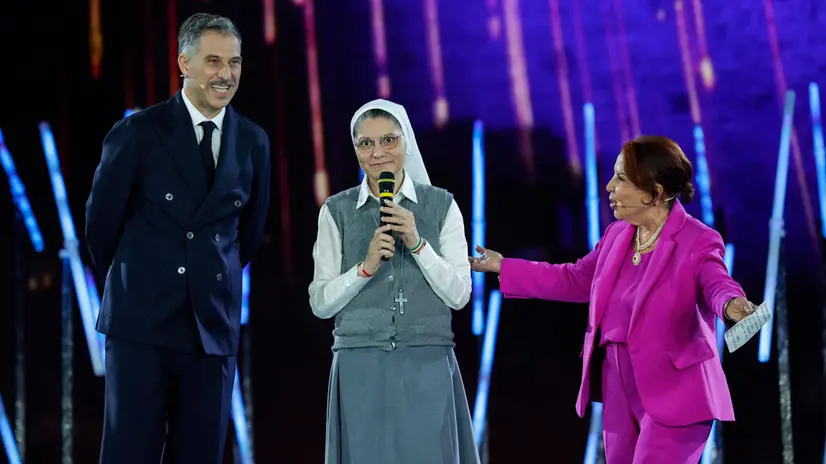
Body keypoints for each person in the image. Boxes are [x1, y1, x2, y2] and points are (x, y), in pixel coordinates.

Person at [470, 136, 756, 463]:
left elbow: (716, 282)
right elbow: (575, 278)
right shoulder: (618, 235)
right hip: (618, 385)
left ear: (654, 192)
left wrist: (733, 304)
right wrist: (502, 265)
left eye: (620, 179)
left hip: (675, 388)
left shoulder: (698, 240)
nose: (608, 187)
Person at [85, 12, 270, 463]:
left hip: (212, 332)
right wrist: (142, 283)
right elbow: (100, 229)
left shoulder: (253, 141)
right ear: (184, 64)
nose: (225, 75)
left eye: (235, 63)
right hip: (141, 330)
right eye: (213, 61)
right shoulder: (138, 132)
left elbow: (247, 237)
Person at [309, 99, 481, 464]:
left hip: (427, 363)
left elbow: (460, 295)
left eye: (389, 140)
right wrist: (365, 267)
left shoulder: (442, 206)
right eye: (365, 143)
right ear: (355, 149)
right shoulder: (336, 211)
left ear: (407, 142)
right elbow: (320, 302)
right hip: (359, 366)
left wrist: (418, 244)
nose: (378, 153)